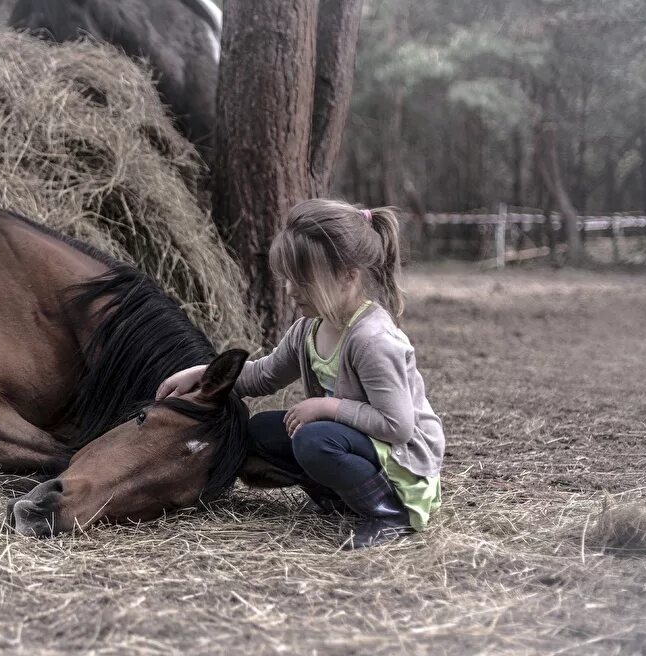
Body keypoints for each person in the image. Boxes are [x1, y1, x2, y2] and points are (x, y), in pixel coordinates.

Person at [157, 199, 443, 549]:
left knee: (313, 439)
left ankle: (389, 515)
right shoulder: (309, 328)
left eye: (303, 280)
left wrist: (328, 408)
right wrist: (203, 374)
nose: (291, 290)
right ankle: (338, 496)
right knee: (260, 431)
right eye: (288, 278)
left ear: (348, 275)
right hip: (358, 441)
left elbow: (398, 427)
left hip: (403, 463)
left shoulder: (373, 341)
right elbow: (263, 376)